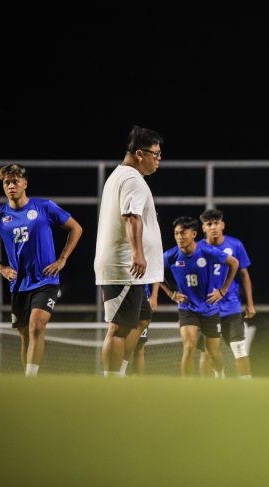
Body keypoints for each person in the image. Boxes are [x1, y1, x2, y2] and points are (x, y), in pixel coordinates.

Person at [0, 163, 83, 376]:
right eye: (6, 182)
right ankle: (28, 378)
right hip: (18, 284)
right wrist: (0, 267)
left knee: (36, 326)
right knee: (25, 335)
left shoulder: (44, 207)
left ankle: (31, 380)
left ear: (25, 183)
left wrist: (62, 259)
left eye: (15, 181)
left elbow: (76, 228)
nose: (11, 186)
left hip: (46, 281)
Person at [94, 125, 164, 377]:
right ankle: (111, 381)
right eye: (155, 154)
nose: (158, 160)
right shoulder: (132, 178)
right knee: (119, 328)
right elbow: (131, 216)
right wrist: (138, 253)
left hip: (131, 270)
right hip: (125, 266)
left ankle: (120, 372)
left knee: (141, 318)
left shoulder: (124, 176)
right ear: (138, 153)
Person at [160, 216, 239, 376]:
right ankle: (187, 389)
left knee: (212, 352)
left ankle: (220, 373)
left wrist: (222, 290)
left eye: (183, 233)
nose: (179, 237)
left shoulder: (206, 251)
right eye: (176, 234)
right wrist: (171, 293)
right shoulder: (171, 256)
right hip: (187, 308)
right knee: (188, 347)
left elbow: (234, 263)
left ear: (194, 234)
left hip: (209, 309)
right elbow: (153, 272)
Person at [197, 209, 256, 379]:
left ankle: (246, 386)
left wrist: (250, 303)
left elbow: (244, 275)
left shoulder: (235, 245)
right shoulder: (198, 248)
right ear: (203, 228)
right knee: (208, 352)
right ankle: (211, 385)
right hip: (207, 309)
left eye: (216, 223)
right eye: (209, 224)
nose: (213, 227)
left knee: (238, 347)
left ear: (222, 225)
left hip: (231, 307)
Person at [129, 283, 159, 375]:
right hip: (123, 297)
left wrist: (154, 296)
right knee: (119, 338)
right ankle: (116, 374)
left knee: (140, 345)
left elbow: (156, 271)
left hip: (142, 297)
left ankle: (137, 380)